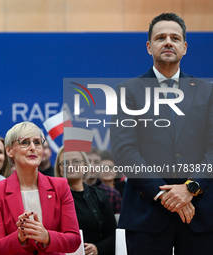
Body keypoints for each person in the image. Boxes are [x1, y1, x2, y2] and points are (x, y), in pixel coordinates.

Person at [110, 13, 213, 254]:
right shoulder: (128, 91)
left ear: (184, 47)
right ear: (149, 46)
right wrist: (163, 194)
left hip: (200, 212)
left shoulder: (208, 92)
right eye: (160, 37)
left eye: (175, 38)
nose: (168, 42)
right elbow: (125, 151)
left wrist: (190, 187)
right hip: (147, 214)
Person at [0, 121, 81, 255]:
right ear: (9, 150)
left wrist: (47, 237)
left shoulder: (60, 186)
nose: (32, 148)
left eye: (37, 142)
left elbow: (74, 240)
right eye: (24, 142)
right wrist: (19, 238)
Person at [55, 146, 116, 255]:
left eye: (76, 161)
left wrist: (98, 248)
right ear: (59, 169)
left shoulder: (99, 195)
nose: (71, 166)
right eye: (65, 163)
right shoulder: (53, 197)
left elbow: (113, 234)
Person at [86, 147, 122, 214]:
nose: (92, 165)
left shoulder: (113, 193)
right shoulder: (71, 190)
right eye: (88, 161)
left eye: (96, 162)